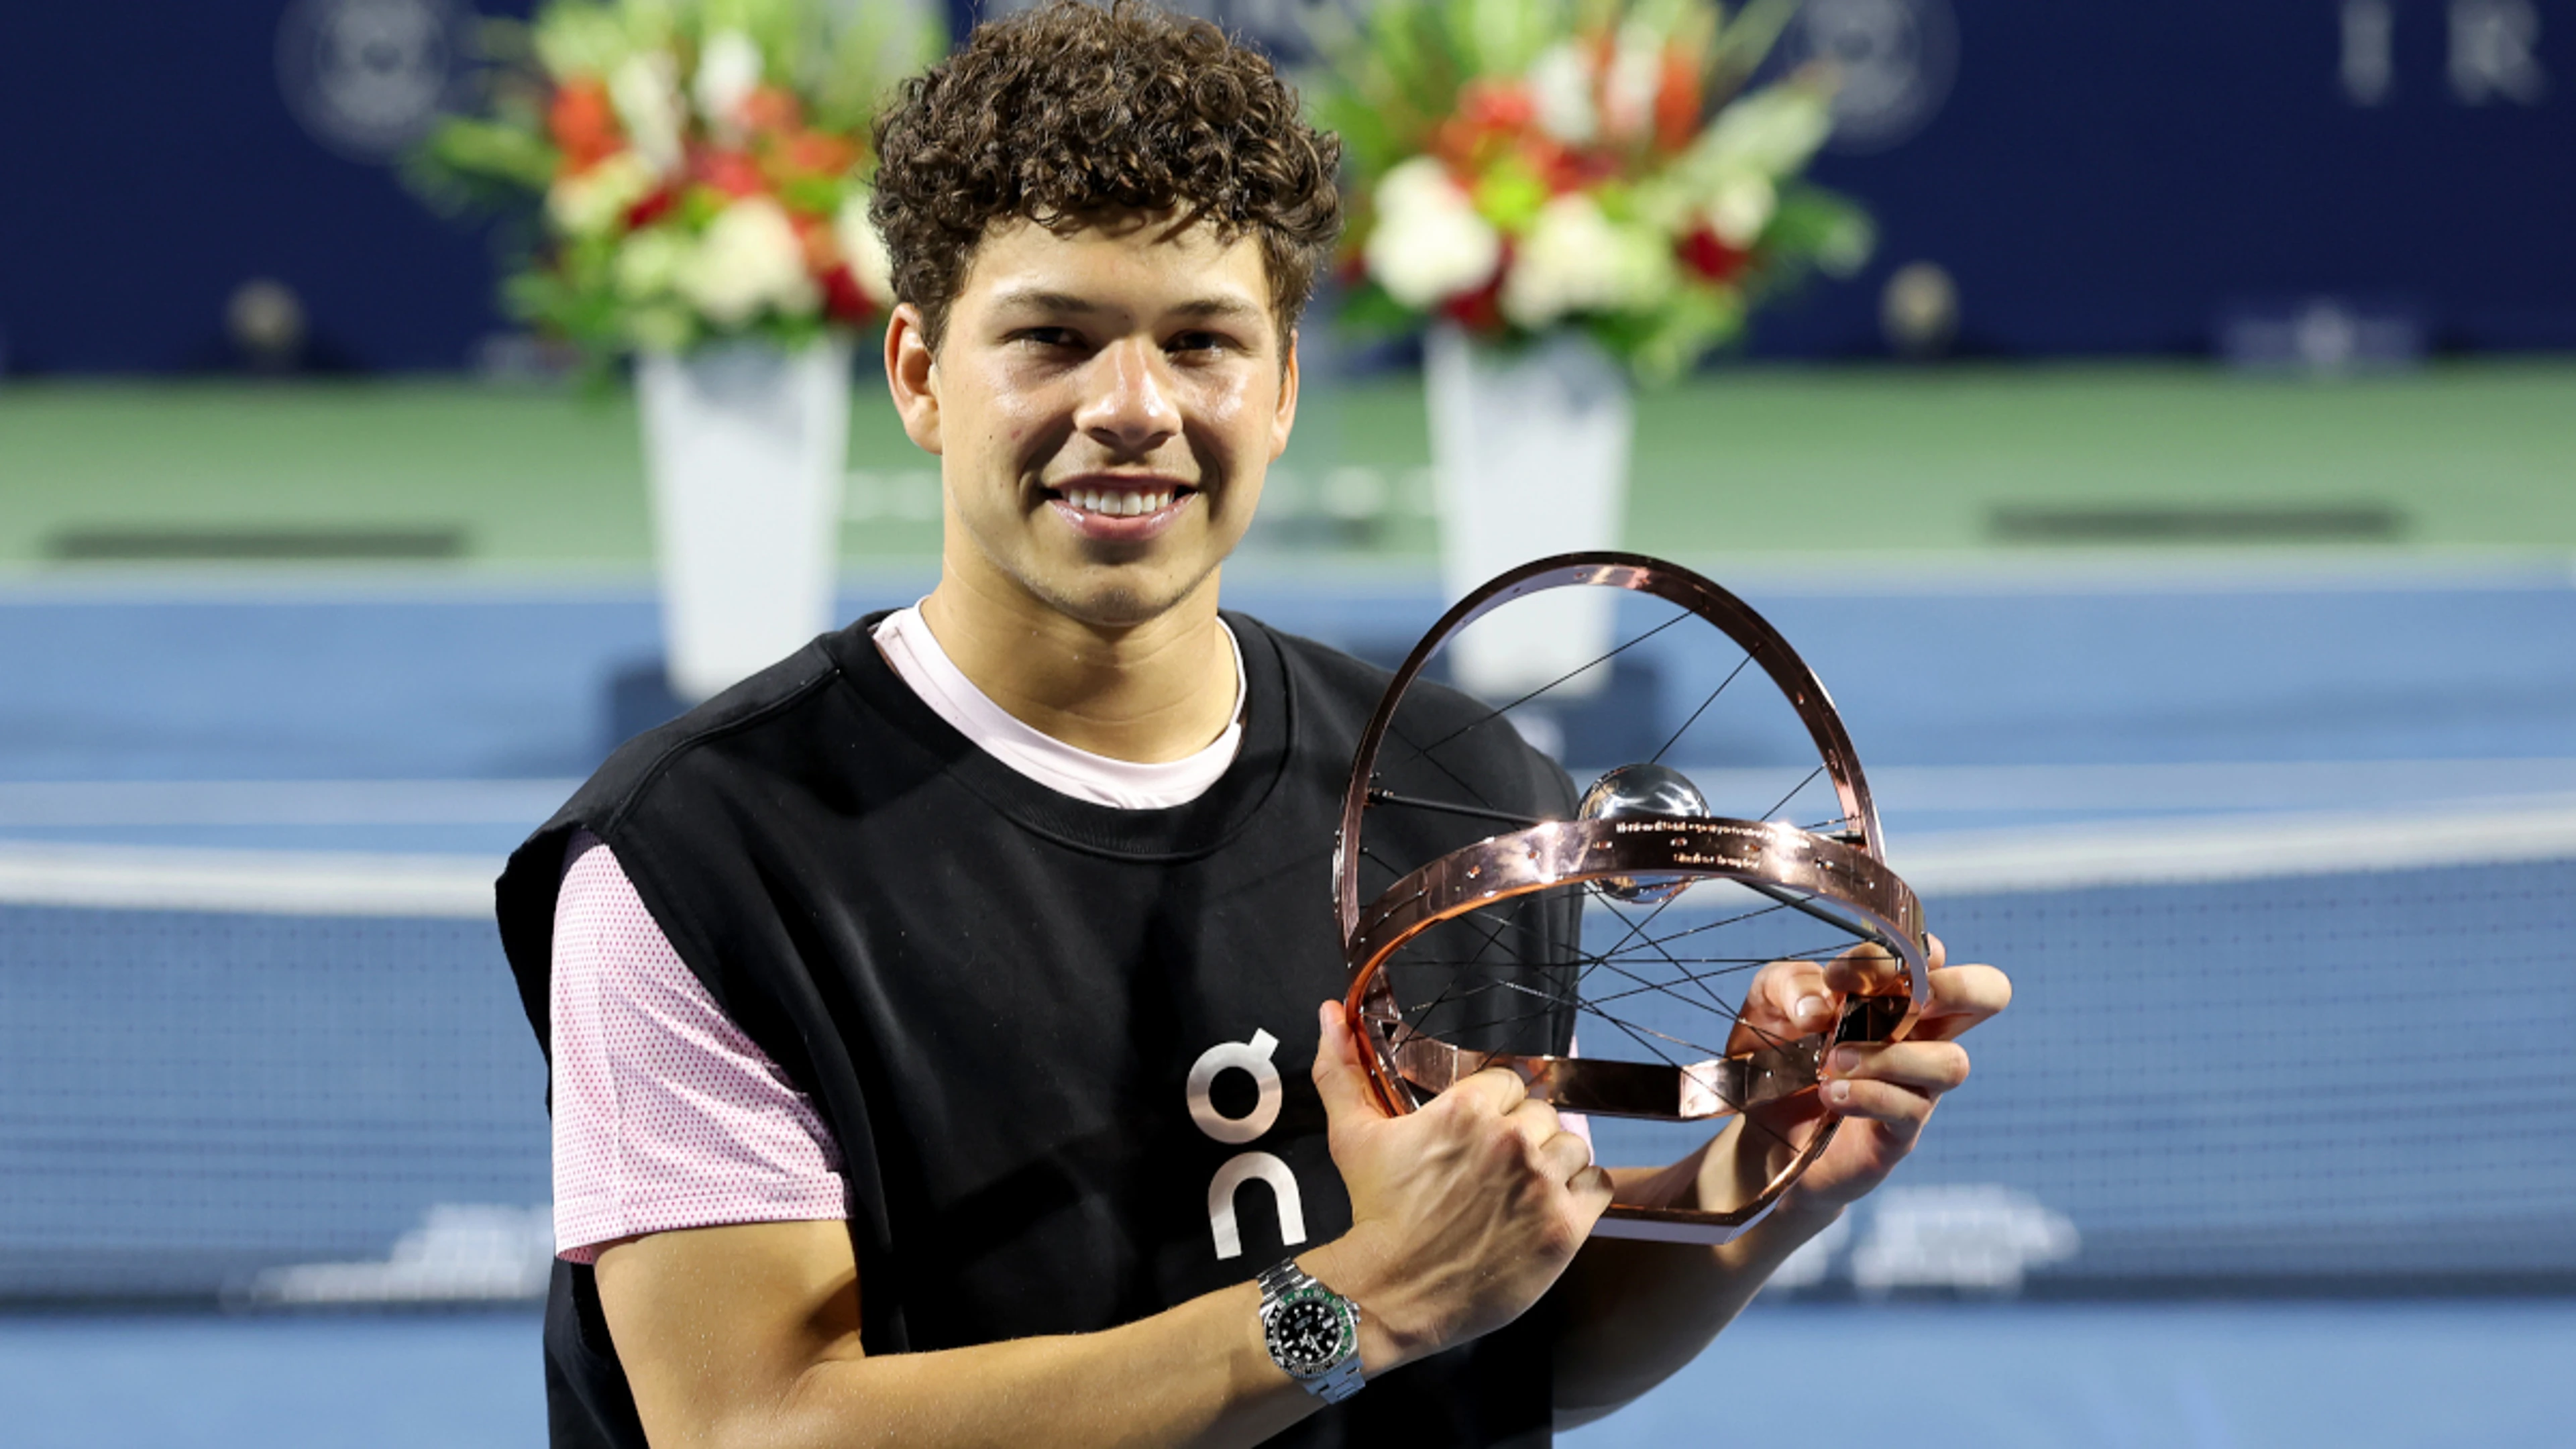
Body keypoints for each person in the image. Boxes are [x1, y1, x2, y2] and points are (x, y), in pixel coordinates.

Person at [495, 4, 2010, 1446]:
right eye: (1053, 338)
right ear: (919, 377)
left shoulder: (1468, 793)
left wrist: (1759, 1188)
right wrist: (1347, 1310)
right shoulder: (695, 864)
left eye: (1203, 342)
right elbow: (757, 1424)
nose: (1134, 405)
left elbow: (1498, 1349)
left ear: (1283, 386)